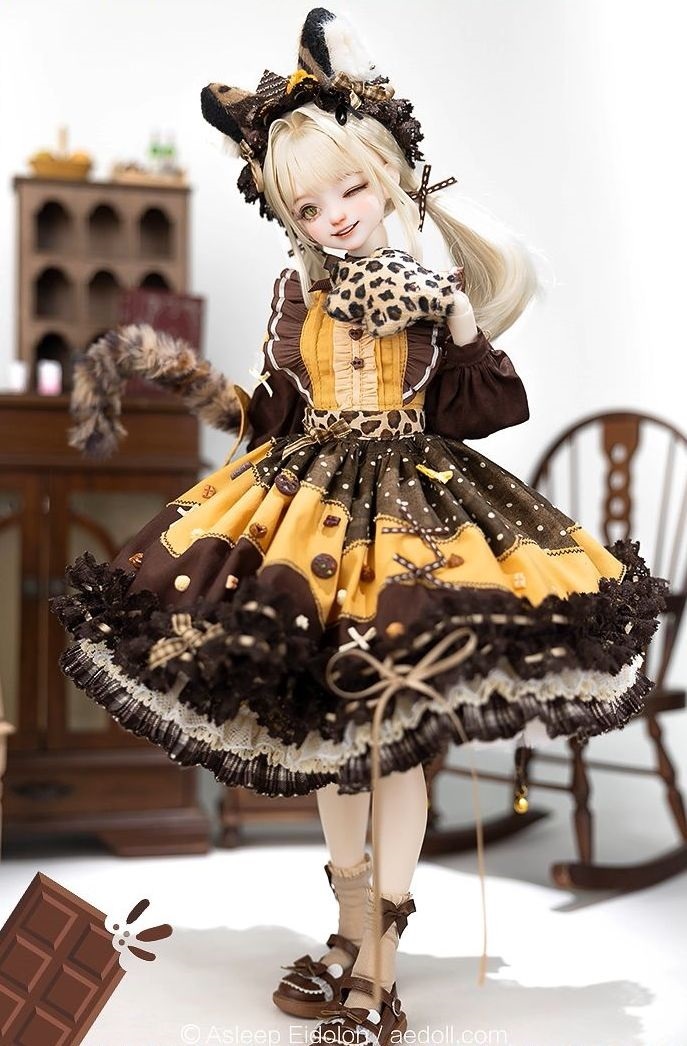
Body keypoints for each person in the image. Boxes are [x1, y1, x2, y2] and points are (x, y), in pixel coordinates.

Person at [52, 9, 667, 1044]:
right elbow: (274, 416)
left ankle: (380, 962)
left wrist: (451, 312)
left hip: (418, 523)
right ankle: (345, 931)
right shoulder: (296, 294)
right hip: (311, 520)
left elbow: (482, 409)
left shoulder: (430, 288)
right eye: (308, 203)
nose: (334, 217)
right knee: (330, 735)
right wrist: (189, 382)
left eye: (351, 189)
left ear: (387, 175)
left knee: (392, 742)